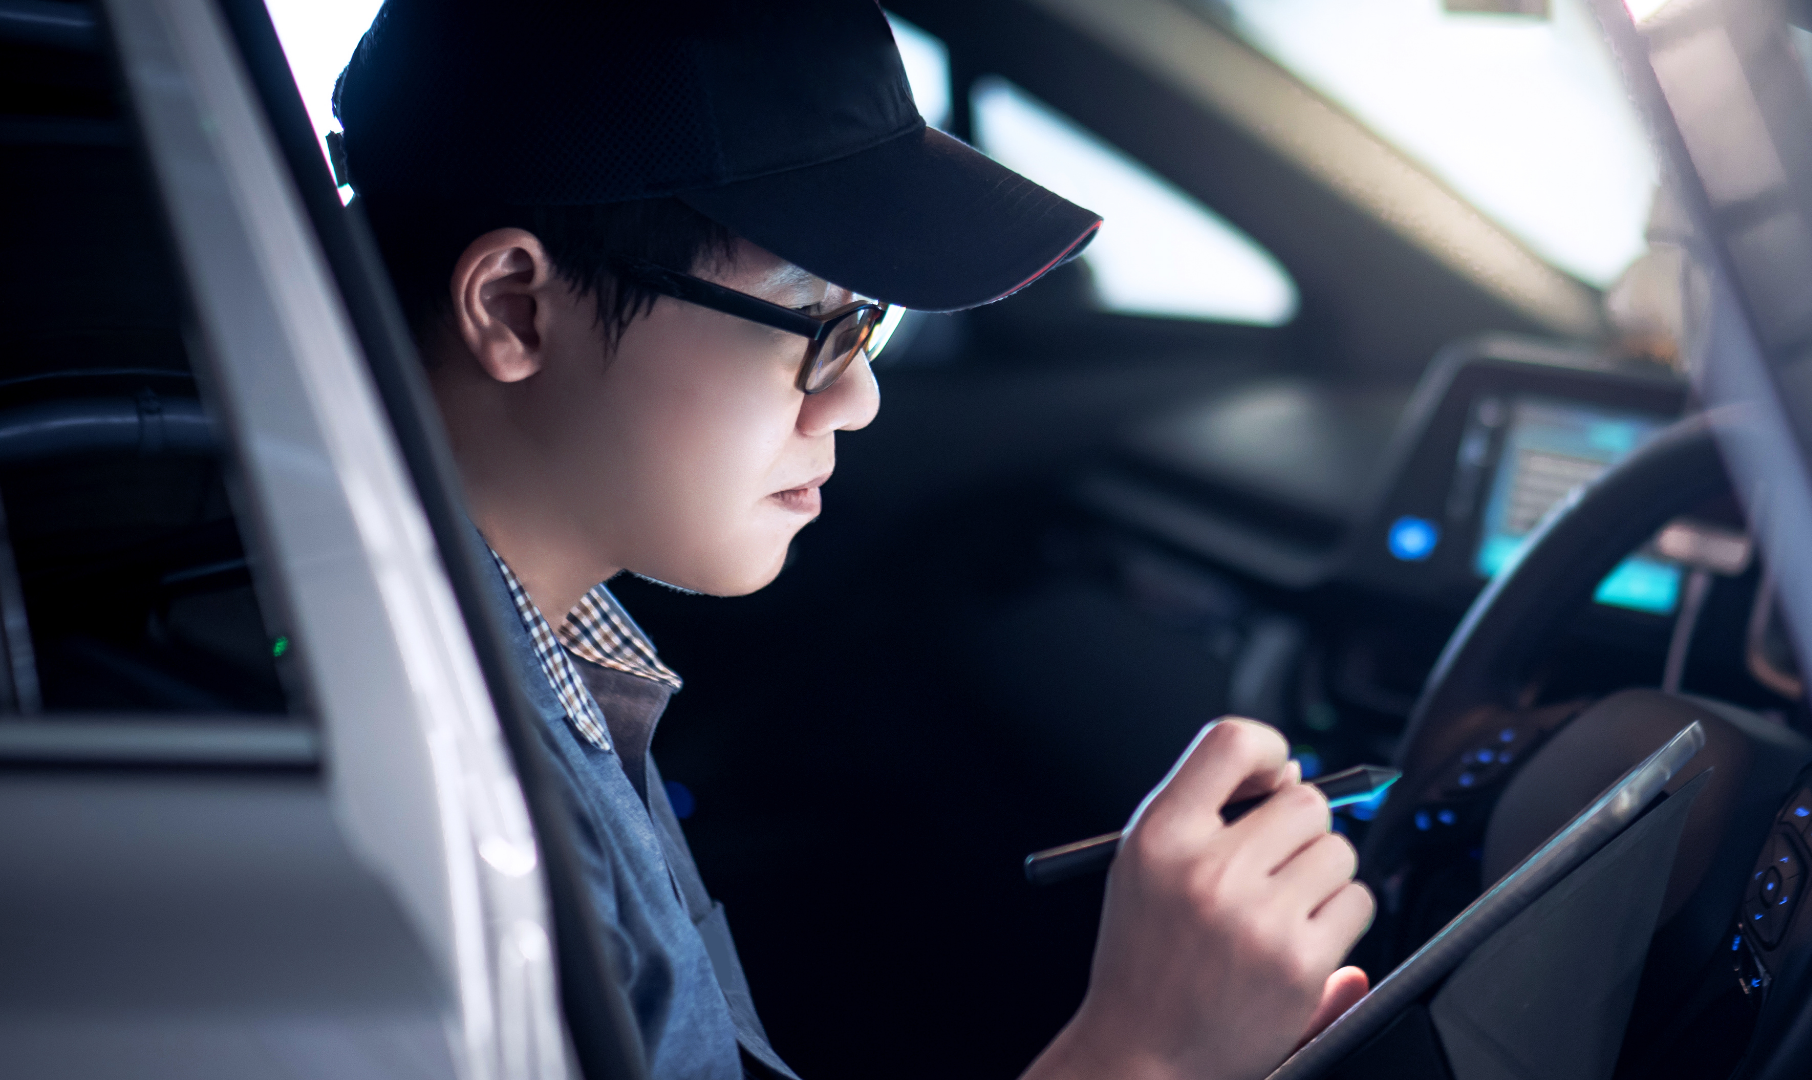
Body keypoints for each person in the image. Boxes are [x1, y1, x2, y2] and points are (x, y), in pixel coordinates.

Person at [332, 2, 1374, 1077]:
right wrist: (1145, 1052)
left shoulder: (529, 663)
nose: (859, 400)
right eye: (818, 325)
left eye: (867, 323)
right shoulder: (453, 825)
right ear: (513, 310)